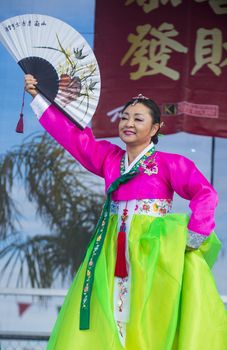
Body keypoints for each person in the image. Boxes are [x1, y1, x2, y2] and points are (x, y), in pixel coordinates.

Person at [25, 74, 227, 350]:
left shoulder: (169, 164)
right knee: (111, 314)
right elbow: (74, 139)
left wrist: (195, 233)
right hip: (112, 248)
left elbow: (205, 193)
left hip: (152, 249)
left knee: (151, 317)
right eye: (124, 117)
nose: (128, 123)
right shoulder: (110, 159)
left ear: (155, 128)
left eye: (138, 119)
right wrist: (39, 97)